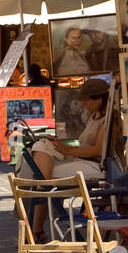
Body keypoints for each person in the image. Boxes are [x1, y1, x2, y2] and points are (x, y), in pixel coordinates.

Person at [28, 77, 110, 237]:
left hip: (95, 166)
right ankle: (40, 193)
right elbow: (84, 146)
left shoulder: (107, 120)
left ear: (99, 99)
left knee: (41, 176)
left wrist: (67, 151)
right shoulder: (94, 117)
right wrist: (61, 147)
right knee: (41, 146)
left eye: (86, 99)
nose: (84, 103)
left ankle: (37, 220)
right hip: (82, 160)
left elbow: (98, 151)